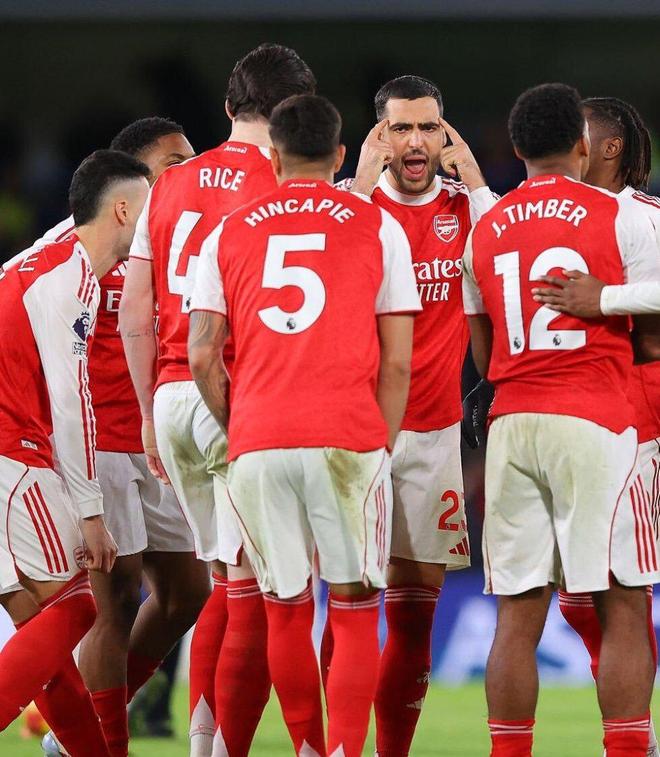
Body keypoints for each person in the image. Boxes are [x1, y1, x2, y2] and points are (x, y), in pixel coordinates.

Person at [188, 92, 420, 757]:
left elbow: (202, 352)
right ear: (341, 154)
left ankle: (308, 748)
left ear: (274, 156)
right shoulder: (378, 225)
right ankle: (345, 750)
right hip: (348, 435)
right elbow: (397, 361)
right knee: (353, 608)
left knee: (283, 609)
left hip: (258, 440)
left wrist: (242, 422)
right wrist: (382, 442)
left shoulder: (227, 231)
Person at [119, 44, 316, 757]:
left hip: (172, 398)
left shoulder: (169, 182)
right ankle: (223, 747)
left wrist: (149, 413)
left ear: (229, 106)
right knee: (262, 589)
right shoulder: (284, 182)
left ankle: (202, 744)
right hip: (238, 394)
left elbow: (134, 311)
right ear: (297, 111)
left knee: (224, 582)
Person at [462, 82, 660, 757]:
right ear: (581, 144)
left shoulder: (486, 227)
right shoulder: (617, 213)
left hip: (513, 423)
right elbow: (651, 325)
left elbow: (483, 352)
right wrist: (607, 305)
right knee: (623, 602)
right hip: (596, 419)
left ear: (516, 148)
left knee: (517, 615)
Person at [334, 74, 497, 754]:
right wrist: (356, 185)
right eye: (400, 127)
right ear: (378, 135)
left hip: (431, 434)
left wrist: (480, 184)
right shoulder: (353, 209)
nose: (416, 141)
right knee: (348, 605)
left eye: (429, 127)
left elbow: (510, 257)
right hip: (353, 432)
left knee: (413, 616)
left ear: (445, 134)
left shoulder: (467, 209)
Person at [0, 150, 150, 748]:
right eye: (149, 206)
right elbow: (71, 406)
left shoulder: (45, 259)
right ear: (123, 211)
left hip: (10, 449)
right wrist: (91, 515)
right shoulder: (70, 281)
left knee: (41, 627)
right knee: (81, 607)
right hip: (12, 455)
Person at [531, 96, 660, 757]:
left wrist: (604, 298)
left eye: (576, 133)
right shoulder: (556, 216)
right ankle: (631, 717)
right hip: (578, 406)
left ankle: (634, 737)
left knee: (622, 584)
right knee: (582, 591)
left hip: (642, 403)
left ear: (607, 148)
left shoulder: (639, 214)